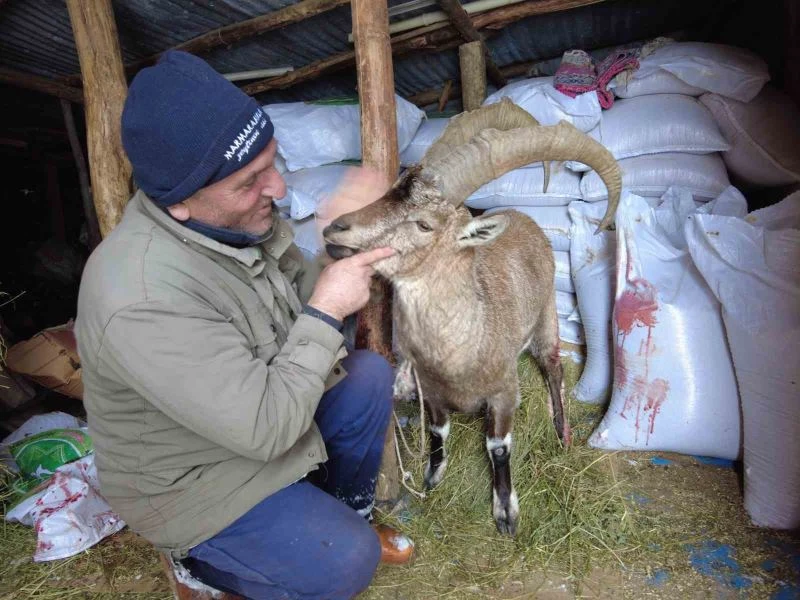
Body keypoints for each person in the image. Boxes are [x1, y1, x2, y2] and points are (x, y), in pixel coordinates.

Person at [75, 50, 412, 600]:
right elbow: (266, 427)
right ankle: (202, 568)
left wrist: (334, 244)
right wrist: (328, 307)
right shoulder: (137, 294)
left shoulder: (236, 223)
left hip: (256, 416)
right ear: (181, 203)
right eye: (250, 181)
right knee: (345, 566)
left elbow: (301, 296)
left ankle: (341, 515)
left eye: (274, 164)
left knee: (369, 375)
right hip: (196, 480)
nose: (278, 189)